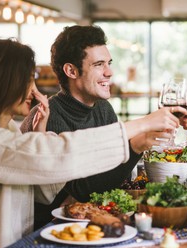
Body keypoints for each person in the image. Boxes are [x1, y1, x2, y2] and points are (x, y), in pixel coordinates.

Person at [0, 37, 185, 248]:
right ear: (4, 83)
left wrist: (40, 136)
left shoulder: (6, 130)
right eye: (29, 80)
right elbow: (59, 156)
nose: (34, 90)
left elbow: (42, 192)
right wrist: (141, 125)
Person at [20, 25, 164, 229]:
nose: (109, 72)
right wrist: (134, 148)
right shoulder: (46, 116)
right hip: (51, 231)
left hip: (94, 223)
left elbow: (111, 176)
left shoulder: (103, 108)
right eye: (99, 64)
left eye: (109, 63)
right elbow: (76, 195)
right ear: (71, 70)